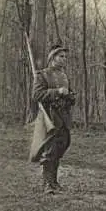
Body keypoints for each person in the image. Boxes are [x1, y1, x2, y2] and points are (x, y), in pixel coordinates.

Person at [29, 44, 76, 194]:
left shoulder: (64, 76)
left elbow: (71, 94)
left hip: (64, 117)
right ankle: (47, 183)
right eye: (61, 56)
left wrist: (70, 97)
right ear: (52, 58)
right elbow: (37, 95)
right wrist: (57, 92)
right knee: (50, 150)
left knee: (62, 146)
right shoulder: (42, 75)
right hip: (50, 117)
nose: (64, 59)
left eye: (65, 57)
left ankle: (54, 181)